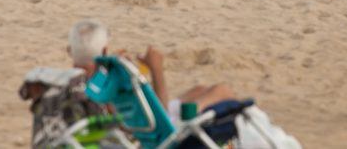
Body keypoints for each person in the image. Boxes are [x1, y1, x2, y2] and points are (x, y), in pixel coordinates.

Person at [67, 19, 234, 123]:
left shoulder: (67, 85)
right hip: (151, 136)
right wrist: (156, 69)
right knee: (221, 91)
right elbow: (160, 118)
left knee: (199, 90)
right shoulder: (103, 88)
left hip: (106, 129)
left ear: (70, 51)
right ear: (104, 52)